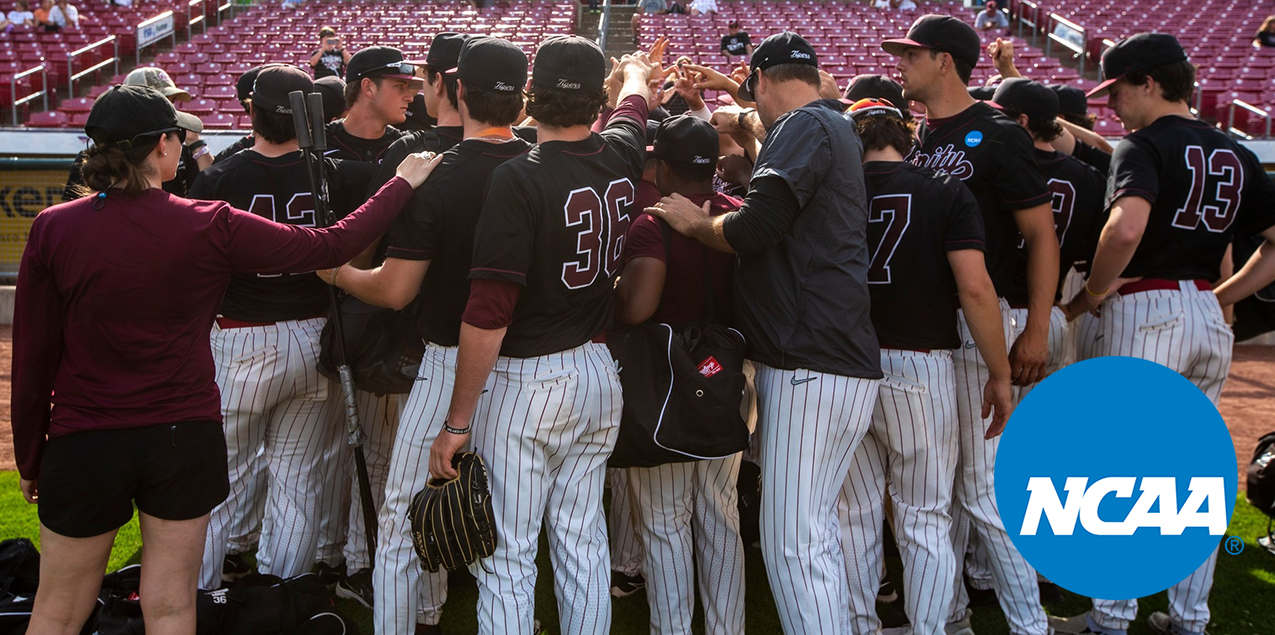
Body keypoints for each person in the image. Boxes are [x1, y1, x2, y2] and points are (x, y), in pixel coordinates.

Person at [11, 84, 436, 635]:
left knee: (57, 611)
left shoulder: (54, 226)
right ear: (165, 146)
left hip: (86, 437)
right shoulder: (206, 222)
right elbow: (328, 245)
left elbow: (34, 356)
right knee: (170, 606)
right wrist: (401, 183)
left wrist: (30, 455)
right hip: (180, 436)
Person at [424, 35, 662, 634]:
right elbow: (633, 110)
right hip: (598, 373)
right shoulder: (621, 154)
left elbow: (488, 311)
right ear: (595, 102)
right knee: (582, 542)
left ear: (531, 95)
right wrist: (634, 74)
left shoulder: (517, 176)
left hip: (530, 381)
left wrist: (456, 423)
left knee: (507, 555)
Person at [649, 32, 883, 633]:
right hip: (835, 357)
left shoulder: (806, 125)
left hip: (811, 360)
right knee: (816, 536)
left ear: (759, 80)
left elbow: (754, 230)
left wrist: (694, 224)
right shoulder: (832, 122)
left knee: (793, 548)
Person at [1054, 33, 1275, 635]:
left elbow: (1125, 231)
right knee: (1193, 473)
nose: (1112, 103)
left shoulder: (1143, 144)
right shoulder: (1237, 151)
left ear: (1148, 82)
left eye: (1119, 88)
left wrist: (1091, 296)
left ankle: (1111, 617)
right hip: (1207, 314)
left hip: (1142, 308)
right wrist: (1221, 297)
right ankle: (1189, 619)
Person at [321, 36, 531, 635]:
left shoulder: (436, 173)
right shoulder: (543, 161)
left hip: (448, 360)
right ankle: (438, 611)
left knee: (401, 517)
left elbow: (394, 291)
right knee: (509, 535)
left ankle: (412, 619)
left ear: (458, 89)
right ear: (521, 97)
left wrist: (332, 269)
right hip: (535, 363)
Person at [883, 15, 1059, 635]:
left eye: (912, 54)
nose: (900, 63)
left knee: (984, 489)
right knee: (945, 491)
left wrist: (1034, 329)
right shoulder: (923, 137)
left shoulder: (997, 131)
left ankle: (1028, 623)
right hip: (936, 324)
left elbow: (1040, 235)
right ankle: (949, 615)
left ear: (946, 62)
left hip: (984, 314)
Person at [188, 65, 380, 591]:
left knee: (219, 479)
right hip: (315, 338)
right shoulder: (333, 173)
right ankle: (282, 597)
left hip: (242, 338)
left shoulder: (221, 177)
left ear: (252, 111)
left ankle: (201, 597)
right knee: (299, 482)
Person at [837, 95, 1013, 635]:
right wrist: (1000, 373)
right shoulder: (944, 189)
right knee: (924, 517)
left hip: (844, 366)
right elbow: (976, 288)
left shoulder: (832, 190)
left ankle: (861, 625)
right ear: (906, 135)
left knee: (855, 517)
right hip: (920, 367)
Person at [614, 115, 747, 635]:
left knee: (665, 522)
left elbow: (638, 308)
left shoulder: (652, 223)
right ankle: (726, 629)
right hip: (726, 377)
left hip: (665, 385)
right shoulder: (740, 214)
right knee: (721, 514)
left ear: (662, 166)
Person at [312, 44, 420, 590]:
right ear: (366, 86)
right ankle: (326, 557)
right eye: (399, 84)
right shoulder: (319, 144)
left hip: (377, 319)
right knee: (321, 455)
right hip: (321, 313)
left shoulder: (410, 146)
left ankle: (357, 559)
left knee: (370, 454)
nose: (411, 93)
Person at [991, 78, 1106, 398]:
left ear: (1022, 121)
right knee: (1041, 434)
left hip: (996, 316)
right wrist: (1073, 308)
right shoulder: (1090, 178)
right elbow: (1108, 254)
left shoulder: (998, 163)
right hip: (1051, 317)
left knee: (990, 438)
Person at [64, 67, 209, 201]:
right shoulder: (96, 157)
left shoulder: (179, 147)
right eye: (160, 99)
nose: (169, 107)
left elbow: (212, 187)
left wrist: (197, 145)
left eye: (171, 101)